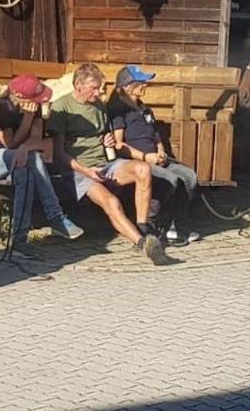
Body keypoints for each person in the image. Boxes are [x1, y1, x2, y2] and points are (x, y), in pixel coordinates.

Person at [47, 63, 169, 265]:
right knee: (111, 202)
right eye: (93, 88)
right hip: (77, 170)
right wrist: (86, 171)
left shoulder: (99, 106)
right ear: (78, 85)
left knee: (142, 168)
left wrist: (107, 141)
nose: (98, 93)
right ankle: (143, 243)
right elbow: (58, 152)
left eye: (99, 88)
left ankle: (142, 227)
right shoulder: (62, 107)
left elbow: (104, 136)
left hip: (104, 164)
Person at [0, 74, 83, 259]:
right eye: (36, 101)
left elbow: (36, 141)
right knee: (32, 158)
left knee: (25, 175)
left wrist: (25, 147)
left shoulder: (33, 107)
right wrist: (27, 120)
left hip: (14, 160)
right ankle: (56, 217)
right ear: (21, 98)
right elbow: (10, 145)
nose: (40, 103)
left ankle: (19, 241)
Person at [108, 64, 200, 245]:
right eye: (141, 82)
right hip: (136, 160)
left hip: (155, 157)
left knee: (190, 177)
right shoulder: (118, 110)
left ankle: (176, 226)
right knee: (169, 180)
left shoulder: (145, 110)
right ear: (127, 86)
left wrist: (161, 152)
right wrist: (145, 158)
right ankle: (151, 226)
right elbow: (119, 144)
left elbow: (156, 137)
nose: (145, 85)